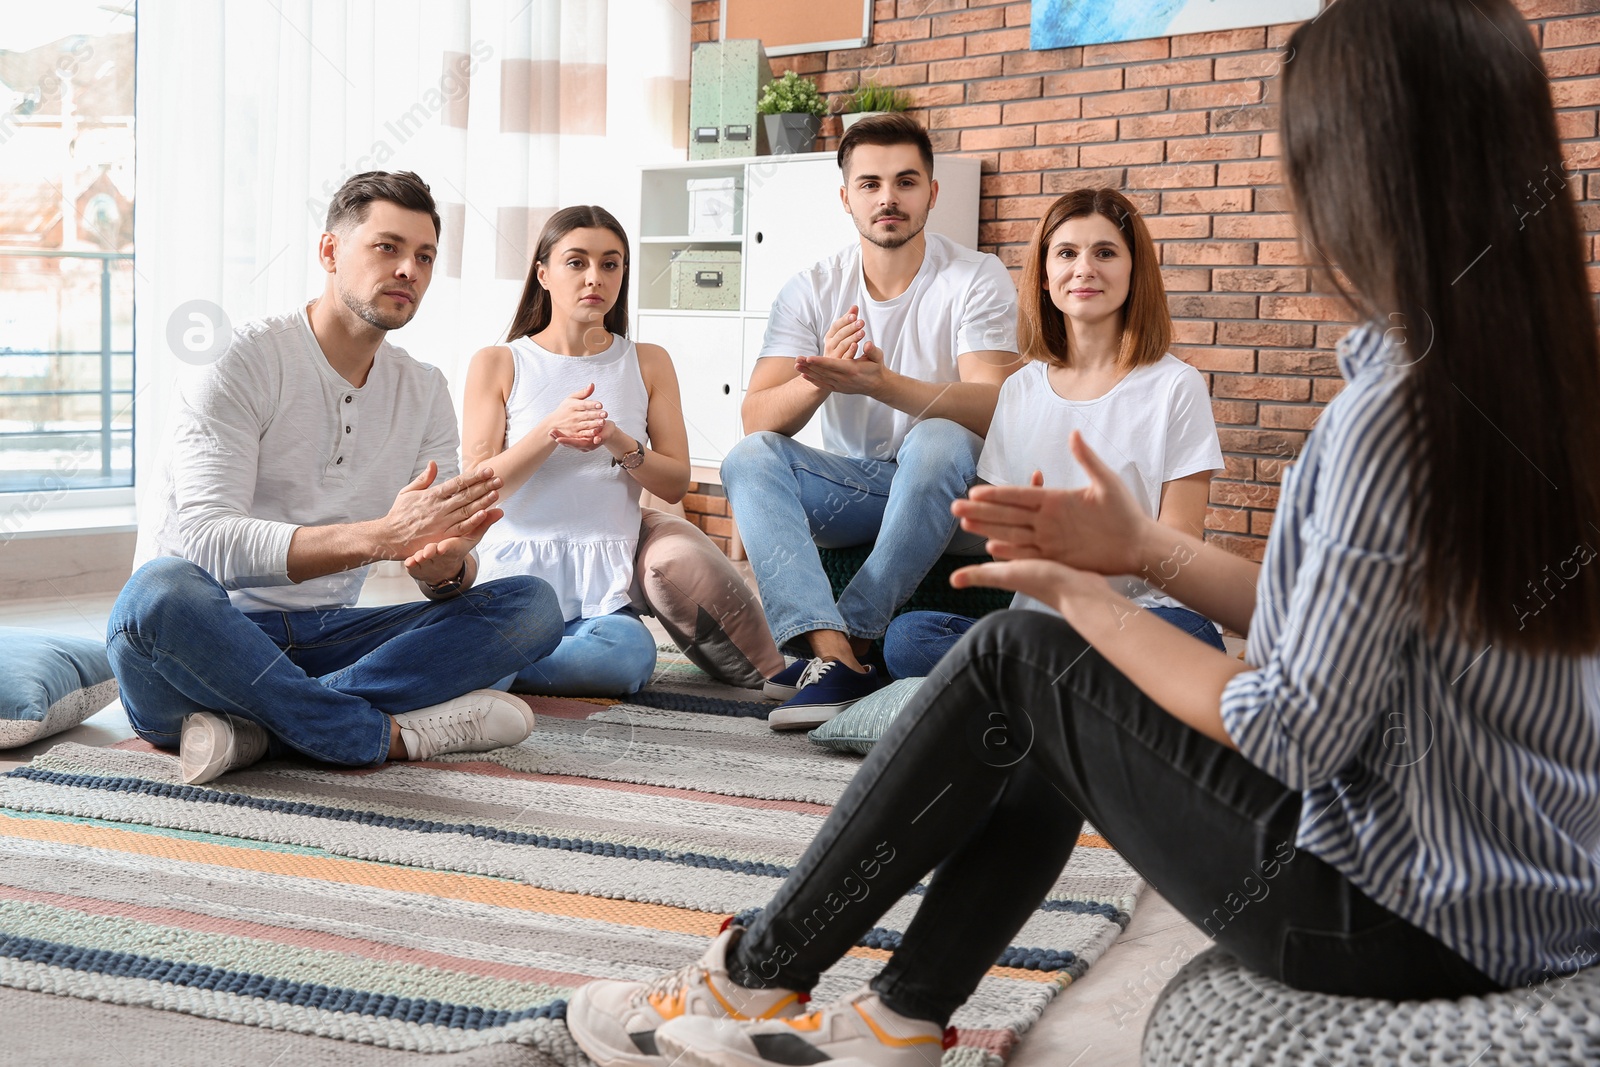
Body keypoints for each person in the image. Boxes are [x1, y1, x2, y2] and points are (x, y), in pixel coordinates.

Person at [564, 2, 1600, 1064]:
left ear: (1358, 168)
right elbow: (1344, 620)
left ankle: (754, 976)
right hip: (1540, 892)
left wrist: (1083, 596)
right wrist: (1138, 553)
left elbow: (1290, 731)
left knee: (1019, 650)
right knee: (1040, 677)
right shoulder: (1545, 379)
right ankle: (896, 1017)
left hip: (1395, 917)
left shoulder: (1389, 413)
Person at [110, 171, 565, 786]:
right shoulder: (239, 359)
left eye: (424, 256)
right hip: (201, 640)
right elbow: (207, 544)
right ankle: (378, 734)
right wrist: (382, 537)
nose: (409, 269)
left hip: (324, 634)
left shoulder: (424, 388)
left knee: (530, 607)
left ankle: (261, 729)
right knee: (157, 591)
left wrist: (448, 569)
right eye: (388, 247)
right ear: (330, 251)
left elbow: (440, 546)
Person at [722, 113, 1020, 730]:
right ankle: (834, 658)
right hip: (860, 493)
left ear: (932, 194)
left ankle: (853, 639)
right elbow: (755, 417)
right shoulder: (811, 288)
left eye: (906, 182)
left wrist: (883, 384)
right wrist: (819, 375)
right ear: (846, 198)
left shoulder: (975, 277)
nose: (888, 198)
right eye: (870, 184)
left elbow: (994, 405)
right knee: (748, 458)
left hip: (958, 495)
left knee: (939, 437)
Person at [883, 187, 1224, 681]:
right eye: (1066, 253)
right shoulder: (1020, 389)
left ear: (1134, 270)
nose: (1084, 268)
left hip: (1143, 618)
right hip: (1047, 623)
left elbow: (1182, 541)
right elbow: (1005, 539)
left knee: (1194, 640)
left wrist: (1105, 543)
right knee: (909, 638)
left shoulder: (1176, 385)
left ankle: (1029, 687)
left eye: (1105, 252)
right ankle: (1062, 689)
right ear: (1045, 276)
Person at [461, 205, 689, 696]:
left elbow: (675, 482)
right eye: (576, 262)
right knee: (496, 641)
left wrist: (617, 439)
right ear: (543, 273)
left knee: (627, 660)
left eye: (610, 264)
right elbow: (477, 488)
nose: (595, 277)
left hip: (601, 603)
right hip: (511, 590)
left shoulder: (647, 362)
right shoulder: (499, 362)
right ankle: (486, 658)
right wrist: (551, 430)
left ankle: (483, 666)